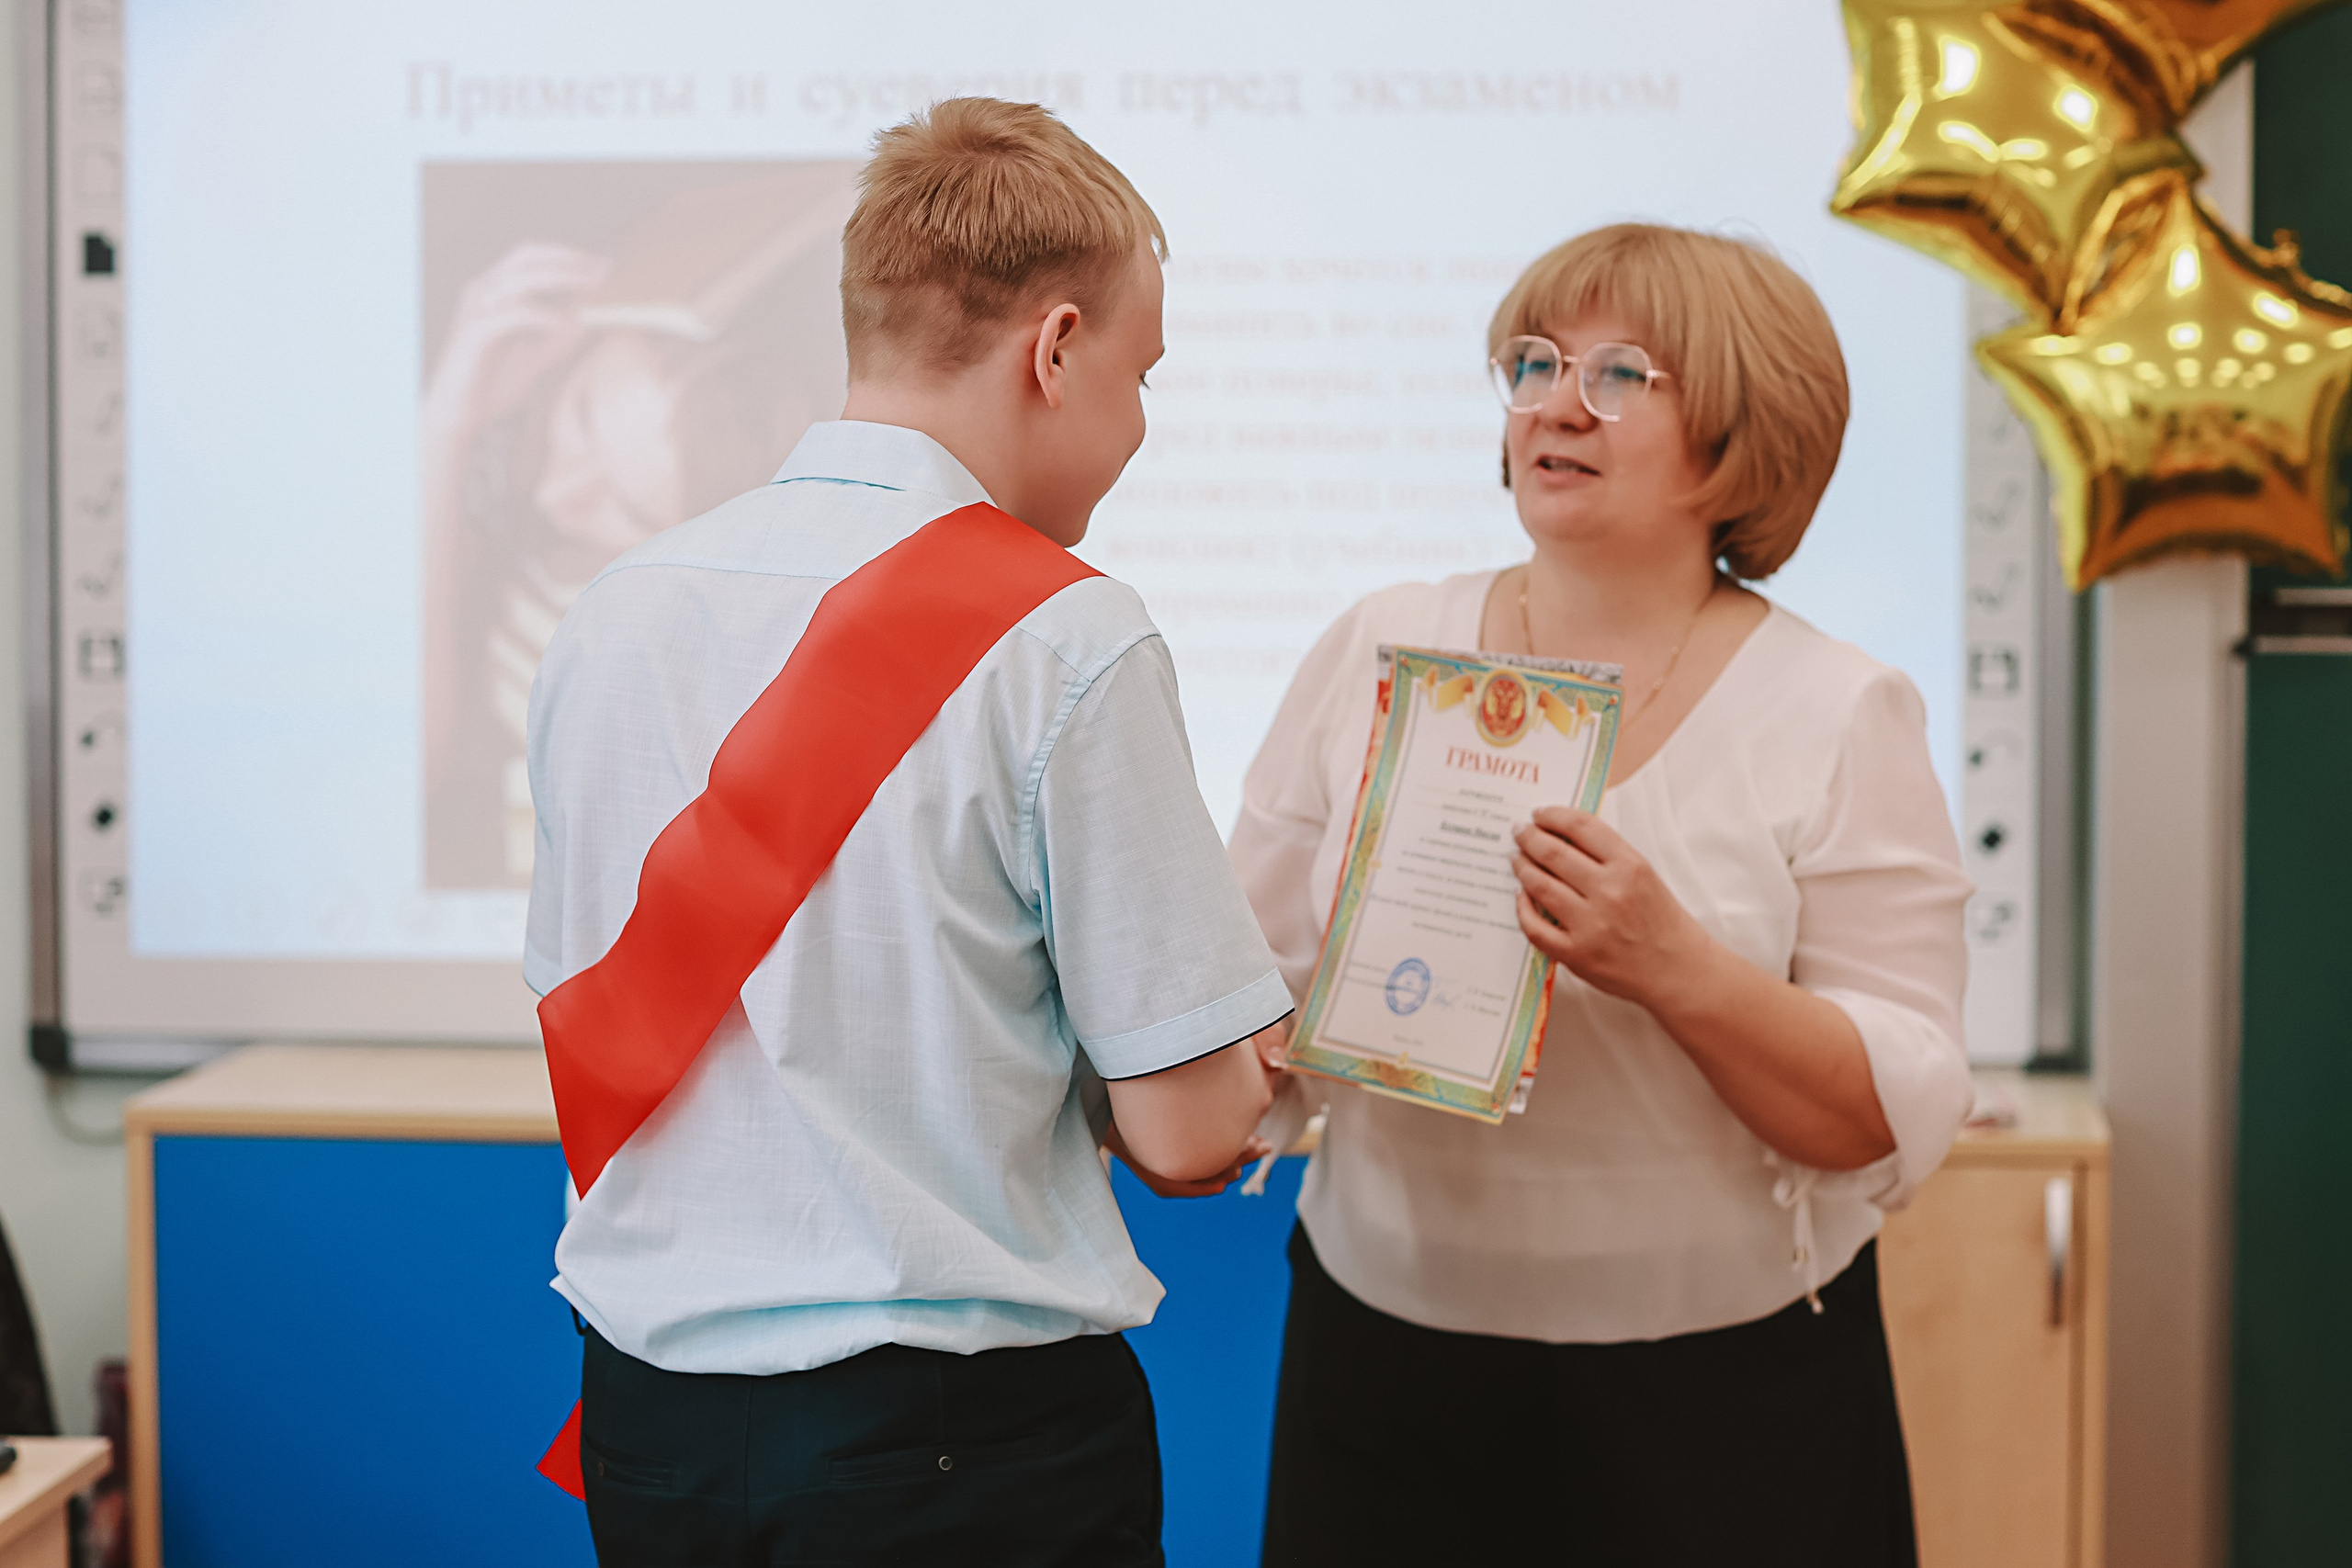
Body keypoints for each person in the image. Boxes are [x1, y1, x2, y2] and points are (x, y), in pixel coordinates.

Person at [526, 98, 1293, 1566]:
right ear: (1055, 350)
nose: (1136, 427)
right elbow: (1189, 1133)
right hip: (957, 1457)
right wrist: (1249, 1046)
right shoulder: (1065, 635)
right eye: (1141, 377)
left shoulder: (616, 606)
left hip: (654, 1432)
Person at [1233, 223, 1972, 1568]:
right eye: (1532, 364)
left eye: (1623, 374)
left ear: (1742, 431)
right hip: (1384, 1372)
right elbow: (1247, 992)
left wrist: (1674, 965)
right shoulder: (1379, 646)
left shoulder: (1838, 707)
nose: (1556, 405)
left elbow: (1888, 1107)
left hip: (1729, 1402)